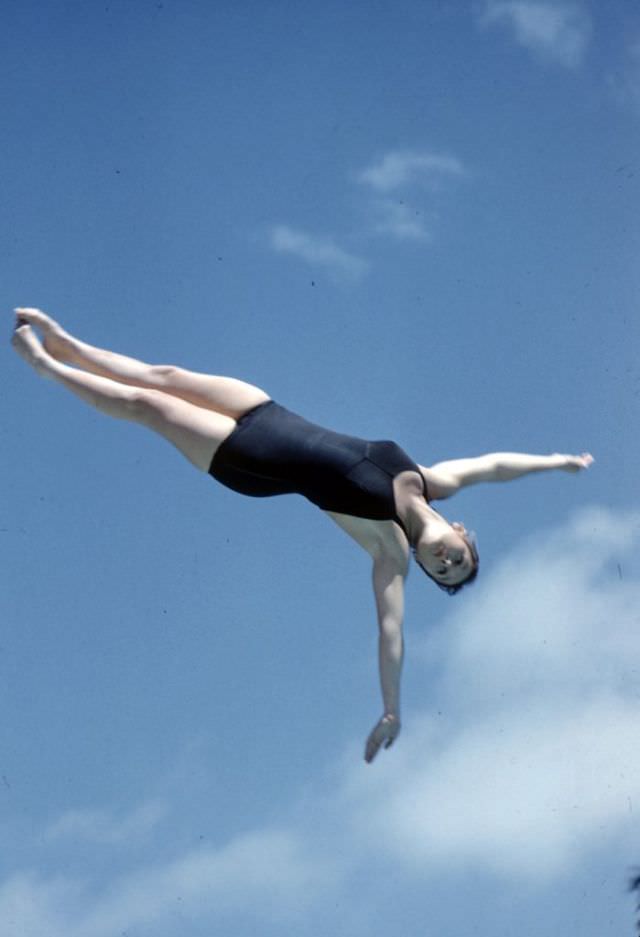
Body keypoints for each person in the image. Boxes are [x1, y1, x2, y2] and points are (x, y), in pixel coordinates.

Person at [11, 308, 593, 763]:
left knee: (146, 404)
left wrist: (392, 708)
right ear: (461, 533)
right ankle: (66, 343)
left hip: (248, 464)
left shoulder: (388, 549)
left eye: (442, 572)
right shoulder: (433, 479)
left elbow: (391, 633)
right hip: (267, 412)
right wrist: (557, 461)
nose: (443, 562)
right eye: (458, 559)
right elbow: (494, 465)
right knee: (163, 376)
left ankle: (45, 366)